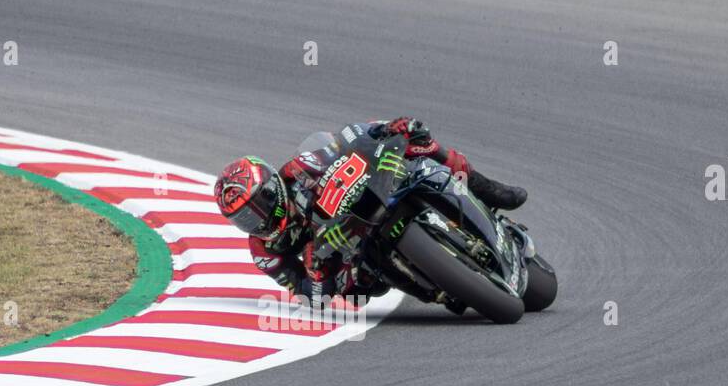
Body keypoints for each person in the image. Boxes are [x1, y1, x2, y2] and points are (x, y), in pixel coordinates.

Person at [213, 117, 526, 304]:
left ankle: (489, 190)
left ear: (272, 187)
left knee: (419, 144)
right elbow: (312, 298)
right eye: (244, 218)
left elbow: (347, 140)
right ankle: (437, 289)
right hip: (347, 259)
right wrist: (314, 269)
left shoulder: (299, 169)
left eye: (258, 204)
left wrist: (386, 129)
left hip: (368, 195)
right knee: (362, 290)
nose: (257, 218)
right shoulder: (263, 250)